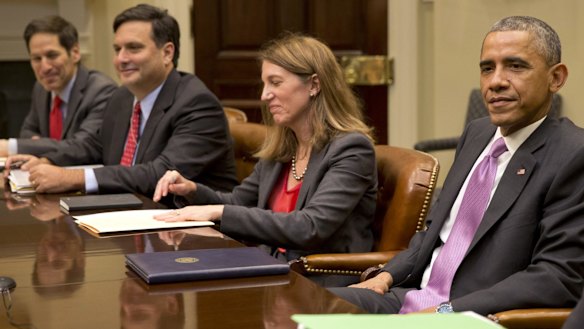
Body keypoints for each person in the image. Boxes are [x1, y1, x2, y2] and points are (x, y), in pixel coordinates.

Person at [329, 16, 584, 315]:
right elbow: (436, 232)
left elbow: (556, 278)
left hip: (475, 314)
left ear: (556, 78)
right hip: (410, 297)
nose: (496, 81)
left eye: (516, 66)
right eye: (487, 68)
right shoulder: (478, 134)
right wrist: (387, 275)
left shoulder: (572, 154)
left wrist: (446, 313)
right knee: (301, 302)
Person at [152, 33, 377, 286]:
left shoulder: (352, 149)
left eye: (275, 83)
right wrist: (192, 190)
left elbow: (311, 227)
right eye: (264, 84)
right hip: (270, 273)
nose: (264, 95)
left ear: (314, 85)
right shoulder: (283, 148)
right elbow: (237, 202)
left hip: (319, 284)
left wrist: (220, 211)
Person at [5, 4, 237, 199]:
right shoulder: (122, 97)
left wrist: (72, 178)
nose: (121, 59)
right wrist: (44, 160)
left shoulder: (197, 103)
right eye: (117, 49)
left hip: (196, 234)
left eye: (133, 48)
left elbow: (159, 173)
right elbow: (91, 147)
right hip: (132, 217)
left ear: (167, 53)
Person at [0, 15, 117, 157]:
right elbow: (27, 131)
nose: (45, 67)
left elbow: (82, 146)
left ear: (75, 53)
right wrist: (49, 146)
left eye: (52, 55)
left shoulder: (102, 90)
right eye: (36, 58)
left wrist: (12, 146)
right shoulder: (40, 88)